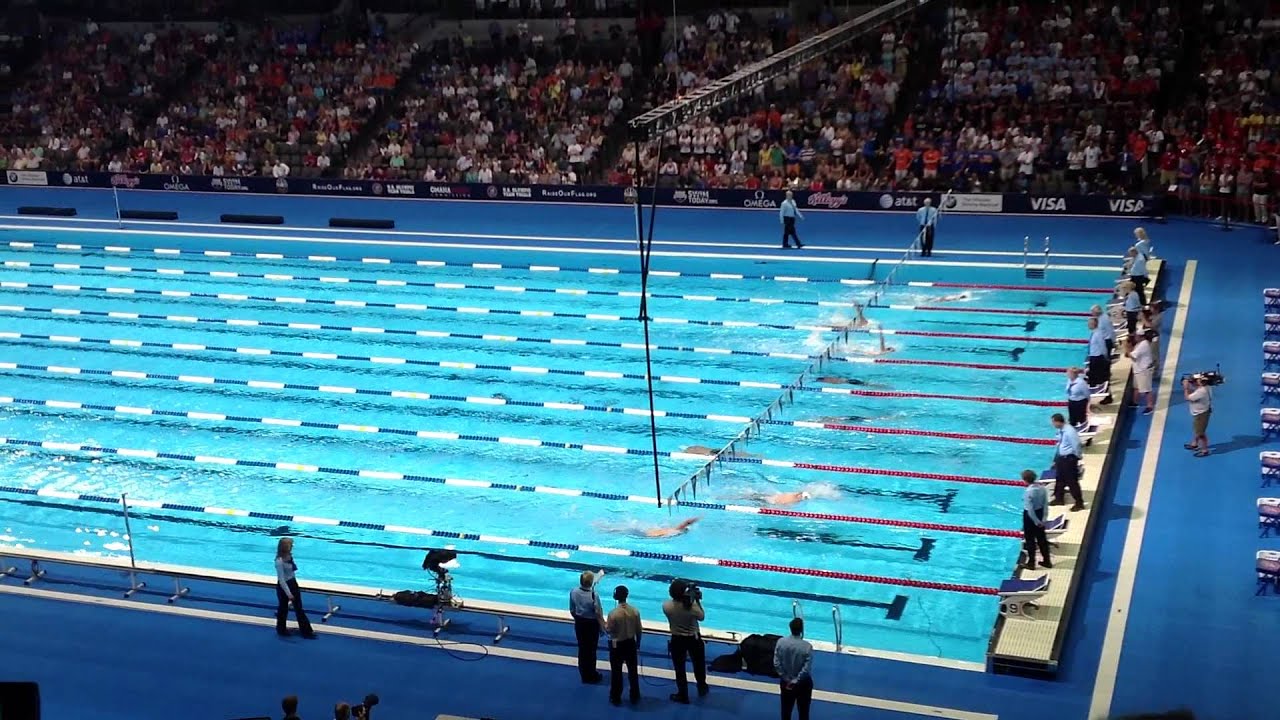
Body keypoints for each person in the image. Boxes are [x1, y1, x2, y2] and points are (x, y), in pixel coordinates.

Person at [662, 580, 708, 703]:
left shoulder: (666, 606)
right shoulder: (693, 608)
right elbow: (702, 617)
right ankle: (702, 686)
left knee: (679, 668)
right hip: (693, 639)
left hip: (677, 639)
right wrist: (697, 600)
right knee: (698, 665)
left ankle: (683, 694)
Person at [605, 584, 642, 706]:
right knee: (633, 671)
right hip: (630, 643)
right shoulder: (635, 611)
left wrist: (601, 622)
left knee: (616, 671)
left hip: (617, 645)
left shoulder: (613, 614)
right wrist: (638, 643)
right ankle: (635, 695)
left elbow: (609, 630)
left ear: (615, 597)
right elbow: (639, 630)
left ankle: (615, 696)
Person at [569, 569, 606, 684]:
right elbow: (598, 613)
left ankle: (583, 674)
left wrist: (578, 620)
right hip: (591, 625)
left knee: (582, 648)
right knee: (591, 650)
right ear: (590, 583)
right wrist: (602, 627)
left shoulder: (573, 591)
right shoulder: (594, 595)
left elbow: (572, 609)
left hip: (580, 623)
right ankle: (592, 674)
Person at [275, 537, 317, 639]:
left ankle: (306, 631)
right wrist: (289, 594)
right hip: (284, 586)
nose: (292, 546)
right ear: (286, 547)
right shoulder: (279, 561)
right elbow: (281, 579)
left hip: (293, 583)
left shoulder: (289, 557)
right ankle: (281, 629)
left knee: (299, 608)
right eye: (291, 545)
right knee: (283, 609)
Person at [774, 617, 814, 720]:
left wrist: (786, 678)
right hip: (803, 684)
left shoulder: (781, 642)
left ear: (790, 628)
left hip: (786, 682)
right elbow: (806, 668)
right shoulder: (807, 647)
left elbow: (776, 663)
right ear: (801, 630)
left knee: (786, 712)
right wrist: (796, 680)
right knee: (803, 712)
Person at [1050, 413, 1085, 511]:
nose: (1052, 424)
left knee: (1072, 481)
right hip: (1062, 458)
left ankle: (1079, 503)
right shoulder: (1061, 430)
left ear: (1057, 422)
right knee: (1060, 479)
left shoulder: (1069, 431)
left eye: (1053, 422)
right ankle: (1059, 499)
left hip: (1069, 459)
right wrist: (1055, 459)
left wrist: (1077, 456)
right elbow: (1060, 444)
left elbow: (1077, 444)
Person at [1020, 468, 1052, 569]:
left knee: (1030, 540)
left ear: (1025, 480)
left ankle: (1031, 563)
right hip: (1040, 513)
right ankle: (1047, 561)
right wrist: (1043, 519)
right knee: (1042, 539)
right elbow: (1045, 504)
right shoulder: (1042, 488)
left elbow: (1030, 510)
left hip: (1030, 518)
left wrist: (1036, 522)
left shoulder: (1028, 492)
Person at [1183, 374, 1213, 457]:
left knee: (1200, 433)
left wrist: (1186, 388)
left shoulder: (1201, 391)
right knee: (1198, 429)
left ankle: (1205, 450)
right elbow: (1196, 389)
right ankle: (1194, 444)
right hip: (1202, 412)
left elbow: (1187, 398)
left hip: (1200, 414)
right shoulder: (1206, 387)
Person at [1085, 317, 1113, 404]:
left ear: (1093, 324)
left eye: (1089, 323)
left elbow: (1102, 346)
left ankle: (1108, 397)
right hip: (1094, 358)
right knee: (1092, 380)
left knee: (1101, 379)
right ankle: (1093, 398)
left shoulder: (1098, 334)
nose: (1088, 325)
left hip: (1098, 359)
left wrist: (1105, 358)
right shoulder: (1094, 333)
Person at [1127, 331, 1156, 415]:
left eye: (1136, 336)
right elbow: (1129, 354)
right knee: (1136, 387)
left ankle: (1150, 406)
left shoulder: (1143, 345)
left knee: (1147, 390)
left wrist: (1126, 347)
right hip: (1138, 370)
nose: (1135, 337)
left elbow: (1133, 357)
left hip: (1143, 371)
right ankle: (1135, 402)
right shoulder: (1138, 344)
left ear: (1141, 336)